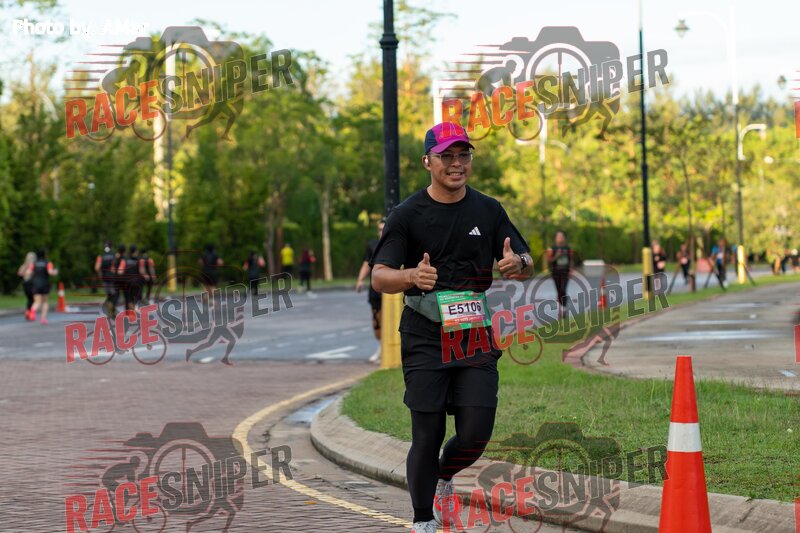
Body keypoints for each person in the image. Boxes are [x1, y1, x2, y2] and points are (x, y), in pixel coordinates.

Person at [370, 122, 533, 533]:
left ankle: (444, 474)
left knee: (476, 432)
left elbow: (526, 258)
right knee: (427, 433)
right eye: (446, 156)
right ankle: (423, 519)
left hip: (473, 332)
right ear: (428, 161)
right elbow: (379, 276)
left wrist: (520, 263)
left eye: (463, 155)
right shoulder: (406, 215)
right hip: (424, 333)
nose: (456, 164)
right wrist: (411, 276)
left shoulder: (488, 210)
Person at [356, 219, 386, 363]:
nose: (382, 232)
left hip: (392, 291)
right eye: (379, 229)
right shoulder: (372, 245)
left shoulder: (396, 243)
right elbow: (366, 264)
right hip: (376, 290)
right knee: (377, 321)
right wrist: (360, 280)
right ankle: (381, 347)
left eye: (384, 228)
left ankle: (389, 350)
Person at [26, 249, 58, 324]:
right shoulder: (48, 263)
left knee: (37, 301)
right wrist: (55, 272)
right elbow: (50, 272)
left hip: (36, 284)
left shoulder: (34, 263)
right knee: (45, 302)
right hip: (45, 284)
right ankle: (43, 319)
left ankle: (32, 311)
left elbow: (28, 272)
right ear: (45, 255)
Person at [546, 230, 573, 319]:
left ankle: (564, 308)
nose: (560, 238)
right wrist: (556, 256)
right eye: (558, 236)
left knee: (563, 289)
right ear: (555, 238)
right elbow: (549, 260)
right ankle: (561, 307)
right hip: (556, 273)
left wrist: (571, 270)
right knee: (559, 290)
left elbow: (571, 260)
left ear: (564, 238)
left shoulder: (567, 248)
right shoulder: (552, 248)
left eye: (561, 236)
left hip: (565, 272)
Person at [117, 245, 143, 310]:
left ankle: (130, 311)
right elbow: (141, 271)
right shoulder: (139, 260)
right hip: (136, 283)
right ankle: (134, 309)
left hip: (127, 283)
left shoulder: (125, 260)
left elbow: (120, 271)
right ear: (136, 251)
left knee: (128, 299)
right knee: (135, 298)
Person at [17, 251, 36, 318]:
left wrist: (24, 277)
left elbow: (19, 274)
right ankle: (30, 313)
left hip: (25, 283)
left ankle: (28, 311)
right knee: (33, 299)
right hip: (32, 283)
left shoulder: (23, 265)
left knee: (29, 299)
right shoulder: (33, 265)